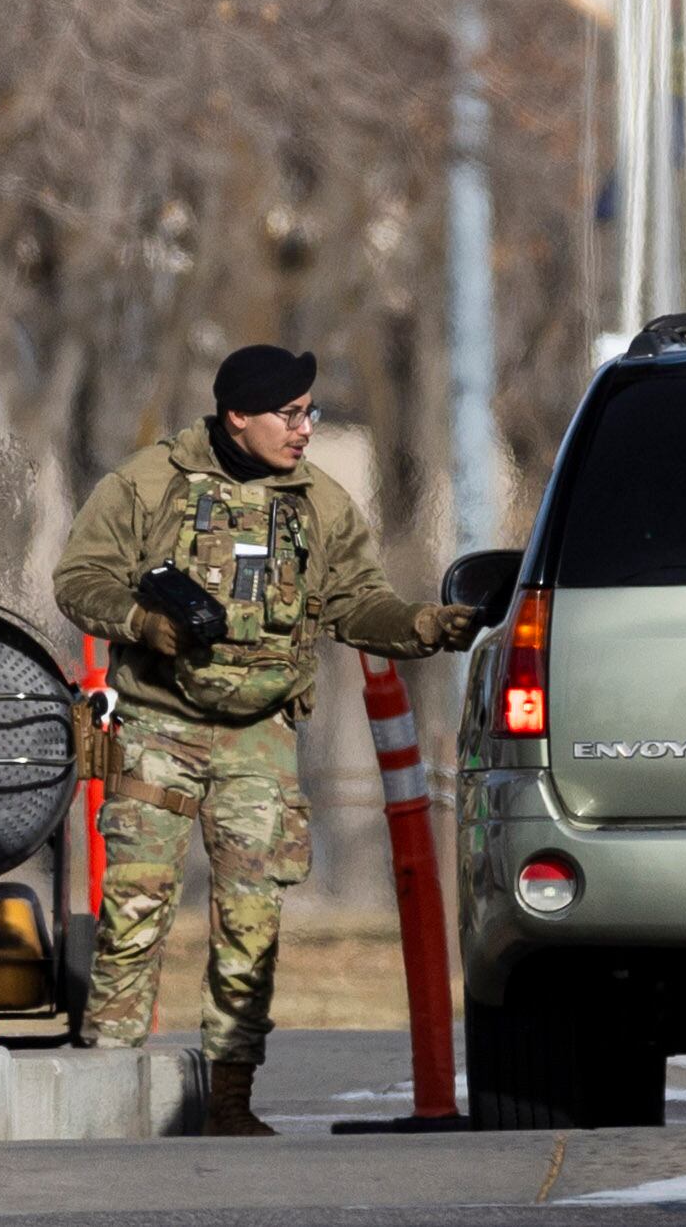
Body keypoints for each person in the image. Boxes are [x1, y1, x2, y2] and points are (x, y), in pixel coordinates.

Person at [53, 343, 481, 1136]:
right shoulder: (146, 484)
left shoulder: (320, 502)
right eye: (289, 414)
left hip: (260, 735)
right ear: (237, 416)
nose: (305, 428)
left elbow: (357, 603)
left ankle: (230, 1099)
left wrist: (424, 625)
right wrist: (143, 621)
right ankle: (108, 1092)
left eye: (309, 412)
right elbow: (79, 580)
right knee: (135, 908)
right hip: (158, 726)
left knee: (251, 920)